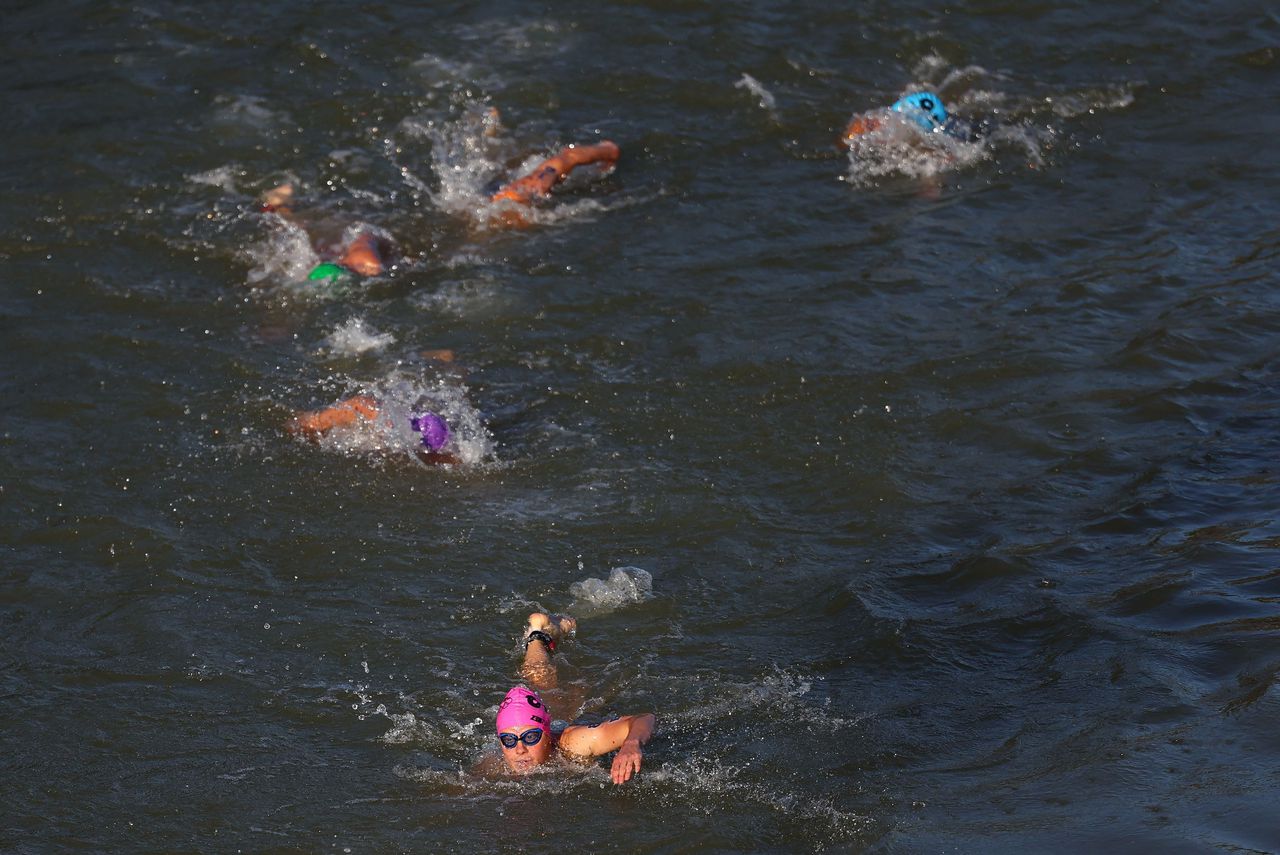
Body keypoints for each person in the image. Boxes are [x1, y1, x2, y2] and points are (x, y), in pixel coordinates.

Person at [491, 612, 655, 785]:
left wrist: (631, 744)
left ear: (547, 734)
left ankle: (539, 634)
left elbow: (645, 718)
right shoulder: (494, 766)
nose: (519, 750)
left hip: (572, 717)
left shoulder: (574, 744)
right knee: (541, 683)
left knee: (559, 690)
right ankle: (538, 632)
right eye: (508, 740)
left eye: (530, 737)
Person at [840, 91, 987, 148]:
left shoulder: (926, 147)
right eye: (874, 125)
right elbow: (859, 125)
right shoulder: (880, 118)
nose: (878, 126)